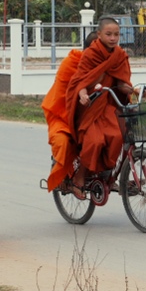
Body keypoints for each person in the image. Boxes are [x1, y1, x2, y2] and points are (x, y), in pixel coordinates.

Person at [65, 16, 136, 199]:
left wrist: (133, 90)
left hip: (107, 105)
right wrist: (82, 94)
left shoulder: (119, 55)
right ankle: (79, 177)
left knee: (117, 136)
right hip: (89, 106)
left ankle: (105, 172)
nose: (113, 38)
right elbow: (80, 80)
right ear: (99, 34)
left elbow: (121, 84)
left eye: (116, 34)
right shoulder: (91, 54)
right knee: (94, 141)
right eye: (108, 34)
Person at [41, 31, 97, 192]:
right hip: (62, 116)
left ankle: (104, 176)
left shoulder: (103, 65)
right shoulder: (71, 63)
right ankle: (65, 177)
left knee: (102, 137)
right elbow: (66, 93)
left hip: (87, 115)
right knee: (63, 142)